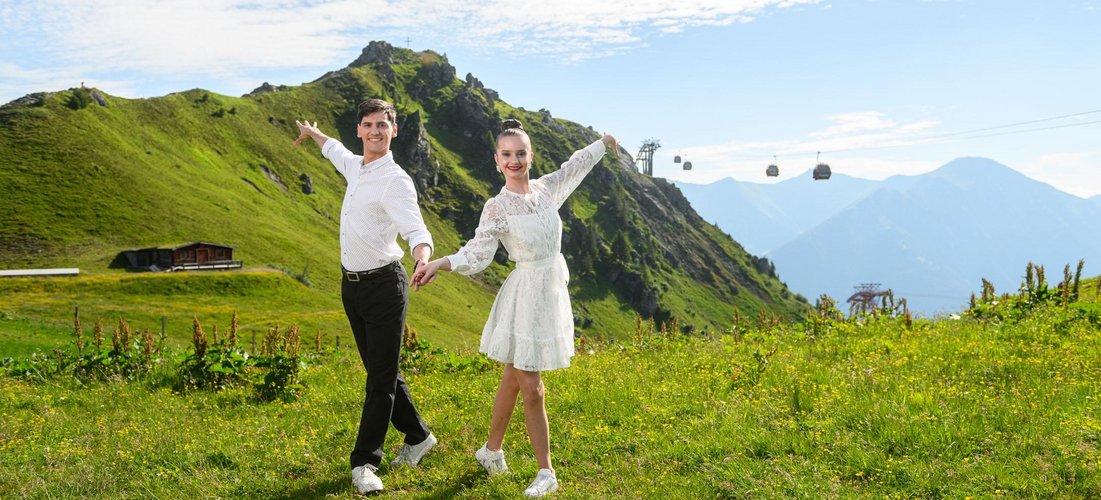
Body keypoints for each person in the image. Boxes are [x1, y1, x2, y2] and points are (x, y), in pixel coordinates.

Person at [413, 119, 618, 498]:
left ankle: (491, 451)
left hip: (550, 292)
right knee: (532, 388)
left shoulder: (546, 189)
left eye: (520, 153)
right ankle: (547, 472)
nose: (514, 160)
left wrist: (603, 143)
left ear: (530, 156)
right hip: (524, 297)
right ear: (496, 160)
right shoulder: (497, 207)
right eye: (506, 154)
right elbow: (478, 253)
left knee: (512, 376)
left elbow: (573, 167)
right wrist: (441, 263)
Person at [294, 99, 437, 495]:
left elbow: (416, 229)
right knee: (381, 369)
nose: (375, 131)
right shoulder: (356, 166)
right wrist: (313, 133)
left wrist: (423, 258)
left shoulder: (395, 180)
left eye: (382, 125)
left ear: (394, 131)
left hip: (385, 287)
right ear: (359, 129)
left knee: (378, 381)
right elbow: (334, 150)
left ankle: (364, 464)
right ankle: (419, 436)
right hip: (352, 286)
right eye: (369, 125)